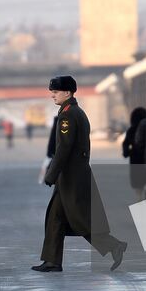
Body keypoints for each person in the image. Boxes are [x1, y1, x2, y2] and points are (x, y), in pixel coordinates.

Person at [33, 75, 127, 272]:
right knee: (55, 218)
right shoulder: (76, 112)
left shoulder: (68, 115)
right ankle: (52, 260)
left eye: (56, 92)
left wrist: (51, 175)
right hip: (71, 176)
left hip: (72, 178)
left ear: (67, 92)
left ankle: (114, 246)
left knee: (80, 219)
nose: (53, 95)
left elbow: (64, 148)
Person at [121, 106, 146, 199]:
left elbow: (125, 144)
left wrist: (127, 152)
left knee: (137, 186)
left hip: (135, 159)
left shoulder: (131, 130)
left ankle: (139, 200)